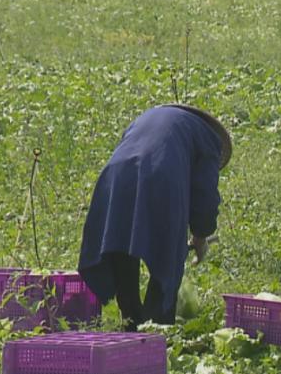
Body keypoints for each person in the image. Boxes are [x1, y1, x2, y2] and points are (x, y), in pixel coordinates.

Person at [78, 103, 232, 331]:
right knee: (168, 251)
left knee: (120, 240)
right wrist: (201, 234)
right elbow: (205, 196)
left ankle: (130, 321)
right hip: (162, 176)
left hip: (117, 174)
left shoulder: (149, 118)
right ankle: (156, 326)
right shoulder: (209, 138)